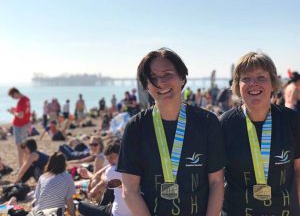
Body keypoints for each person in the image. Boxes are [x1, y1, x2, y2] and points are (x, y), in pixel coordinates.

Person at [117, 48, 225, 216]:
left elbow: (217, 182)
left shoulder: (207, 122)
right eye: (153, 78)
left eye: (167, 74)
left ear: (182, 78)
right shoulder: (136, 127)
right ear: (146, 85)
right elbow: (129, 190)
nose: (160, 83)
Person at [220, 52, 300, 215]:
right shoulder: (224, 124)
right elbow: (215, 179)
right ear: (237, 85)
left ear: (273, 83)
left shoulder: (291, 120)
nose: (253, 84)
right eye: (246, 78)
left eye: (261, 78)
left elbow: (298, 171)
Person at [78, 141, 132, 216]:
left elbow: (100, 177)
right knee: (111, 187)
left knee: (81, 205)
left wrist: (94, 189)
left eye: (111, 157)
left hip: (117, 213)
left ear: (120, 155)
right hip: (133, 210)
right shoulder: (133, 166)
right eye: (107, 159)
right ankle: (101, 205)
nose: (109, 161)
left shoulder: (112, 170)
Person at [32, 152, 76, 216]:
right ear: (64, 164)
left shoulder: (42, 177)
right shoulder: (67, 177)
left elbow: (37, 200)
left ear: (49, 163)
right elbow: (69, 202)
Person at [8, 87, 31, 168]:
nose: (13, 98)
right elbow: (25, 112)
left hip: (19, 125)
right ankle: (25, 164)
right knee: (24, 146)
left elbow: (20, 116)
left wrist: (12, 112)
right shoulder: (27, 99)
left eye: (13, 96)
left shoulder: (21, 101)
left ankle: (21, 166)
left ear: (15, 93)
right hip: (25, 124)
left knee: (19, 147)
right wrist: (16, 110)